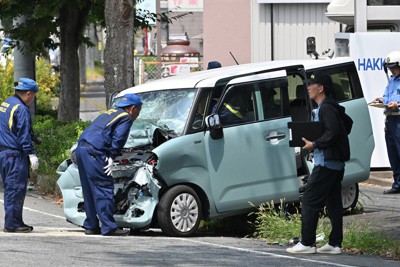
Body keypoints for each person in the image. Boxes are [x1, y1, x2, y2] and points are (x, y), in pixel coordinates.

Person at [286, 72, 350, 254]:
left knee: (308, 200)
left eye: (311, 84)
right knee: (333, 204)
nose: (307, 87)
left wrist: (314, 144)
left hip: (327, 164)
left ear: (320, 88)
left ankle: (307, 243)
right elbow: (346, 125)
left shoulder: (326, 108)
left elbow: (333, 131)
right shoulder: (330, 106)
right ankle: (335, 244)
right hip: (335, 164)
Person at [76, 93, 142, 236]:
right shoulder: (125, 117)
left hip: (82, 149)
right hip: (96, 151)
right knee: (103, 186)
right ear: (132, 108)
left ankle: (91, 225)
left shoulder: (109, 113)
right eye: (139, 110)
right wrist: (112, 156)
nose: (137, 115)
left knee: (89, 189)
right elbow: (119, 138)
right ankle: (109, 227)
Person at [0, 78, 39, 233]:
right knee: (16, 189)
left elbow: (9, 127)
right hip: (14, 155)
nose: (33, 100)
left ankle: (15, 220)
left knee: (11, 189)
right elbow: (23, 135)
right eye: (33, 96)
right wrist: (32, 153)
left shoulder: (6, 103)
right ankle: (12, 223)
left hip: (3, 152)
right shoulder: (21, 109)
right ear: (28, 93)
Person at [372, 51, 400, 194]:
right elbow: (387, 97)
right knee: (393, 152)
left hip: (399, 119)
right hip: (390, 118)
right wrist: (383, 100)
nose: (391, 70)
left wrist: (398, 104)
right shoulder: (391, 81)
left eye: (394, 67)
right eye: (389, 68)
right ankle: (398, 183)